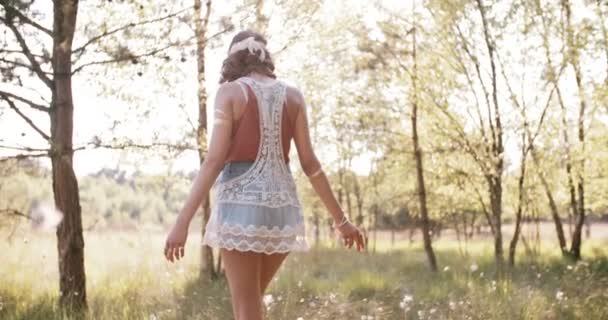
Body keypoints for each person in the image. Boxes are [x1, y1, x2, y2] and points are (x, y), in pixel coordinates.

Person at [164, 30, 366, 320]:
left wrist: (181, 224)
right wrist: (342, 221)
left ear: (233, 59)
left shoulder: (230, 92)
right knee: (252, 303)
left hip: (240, 208)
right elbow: (310, 164)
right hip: (281, 210)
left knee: (246, 309)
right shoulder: (294, 96)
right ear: (265, 58)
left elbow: (213, 161)